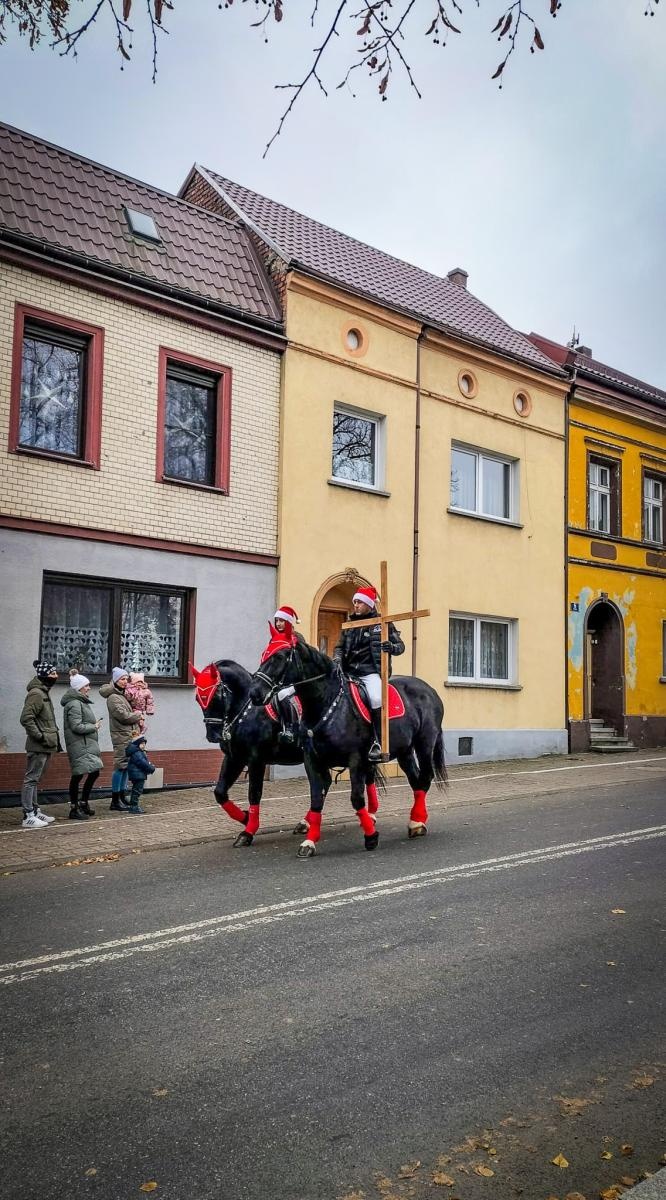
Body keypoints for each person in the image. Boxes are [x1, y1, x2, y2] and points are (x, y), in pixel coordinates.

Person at [333, 584, 404, 762]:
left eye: (359, 602)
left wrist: (391, 647)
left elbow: (400, 646)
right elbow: (339, 648)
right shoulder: (349, 625)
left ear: (369, 604)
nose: (355, 605)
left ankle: (376, 741)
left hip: (370, 672)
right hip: (349, 672)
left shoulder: (383, 623)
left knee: (376, 698)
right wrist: (336, 660)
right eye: (354, 602)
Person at [18, 659, 61, 829]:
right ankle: (27, 815)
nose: (56, 676)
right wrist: (40, 736)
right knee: (31, 779)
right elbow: (26, 718)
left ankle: (35, 811)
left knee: (36, 779)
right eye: (53, 673)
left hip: (46, 744)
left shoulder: (43, 692)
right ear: (44, 675)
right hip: (39, 744)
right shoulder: (36, 693)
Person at [61, 673, 104, 821]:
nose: (89, 688)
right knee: (78, 774)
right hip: (80, 744)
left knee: (94, 772)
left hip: (85, 744)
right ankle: (74, 808)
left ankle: (83, 802)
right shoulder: (74, 703)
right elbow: (76, 726)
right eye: (86, 686)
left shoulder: (80, 702)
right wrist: (94, 726)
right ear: (79, 688)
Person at [99, 667, 142, 811]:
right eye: (122, 679)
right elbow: (123, 716)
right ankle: (115, 800)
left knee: (126, 766)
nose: (125, 682)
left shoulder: (122, 695)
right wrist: (138, 715)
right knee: (120, 766)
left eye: (126, 679)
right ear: (115, 681)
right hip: (121, 736)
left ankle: (122, 796)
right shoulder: (113, 697)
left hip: (128, 735)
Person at [270, 605, 302, 746]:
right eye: (277, 621)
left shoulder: (298, 638)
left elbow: (300, 662)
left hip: (295, 682)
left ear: (288, 622)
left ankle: (290, 728)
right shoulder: (275, 638)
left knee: (282, 695)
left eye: (281, 621)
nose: (278, 624)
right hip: (278, 680)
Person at [125, 735, 156, 814]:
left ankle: (134, 805)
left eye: (144, 744)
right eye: (142, 744)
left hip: (138, 774)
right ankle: (134, 806)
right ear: (137, 744)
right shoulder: (137, 753)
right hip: (137, 774)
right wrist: (151, 768)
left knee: (137, 790)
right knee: (137, 790)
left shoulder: (138, 752)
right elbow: (142, 763)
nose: (144, 745)